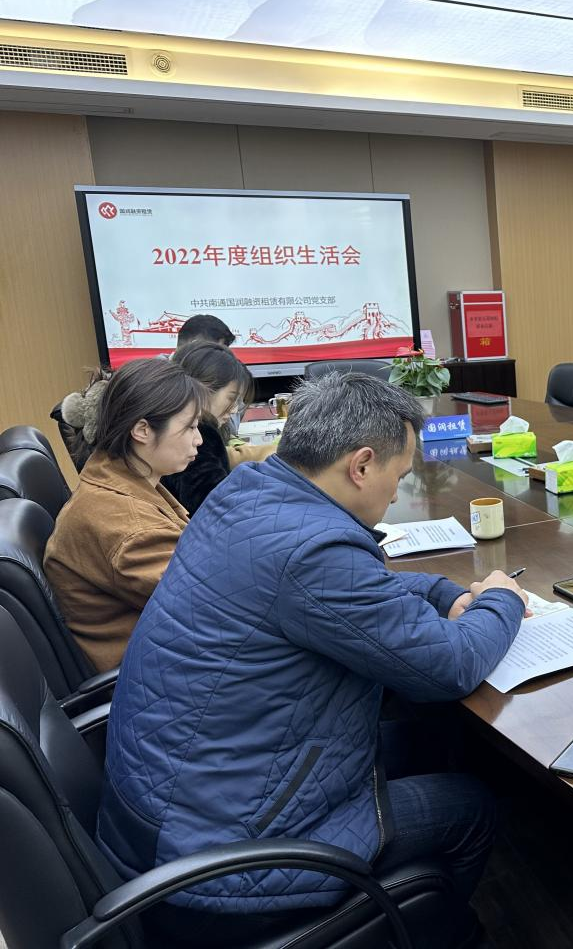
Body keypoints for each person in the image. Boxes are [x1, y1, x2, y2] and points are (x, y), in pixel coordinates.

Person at [96, 372, 529, 947]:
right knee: (470, 807)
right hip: (219, 868)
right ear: (362, 465)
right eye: (399, 477)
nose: (395, 494)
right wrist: (501, 598)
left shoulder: (249, 492)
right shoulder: (313, 550)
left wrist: (442, 593)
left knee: (430, 738)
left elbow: (347, 592)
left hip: (172, 812)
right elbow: (448, 666)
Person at [44, 358, 202, 671]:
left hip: (164, 654)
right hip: (161, 675)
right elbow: (208, 604)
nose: (199, 439)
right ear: (142, 430)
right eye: (190, 427)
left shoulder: (118, 479)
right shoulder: (131, 530)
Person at [160, 341, 270, 513]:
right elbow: (215, 502)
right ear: (204, 388)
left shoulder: (174, 427)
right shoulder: (201, 435)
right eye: (231, 398)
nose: (234, 409)